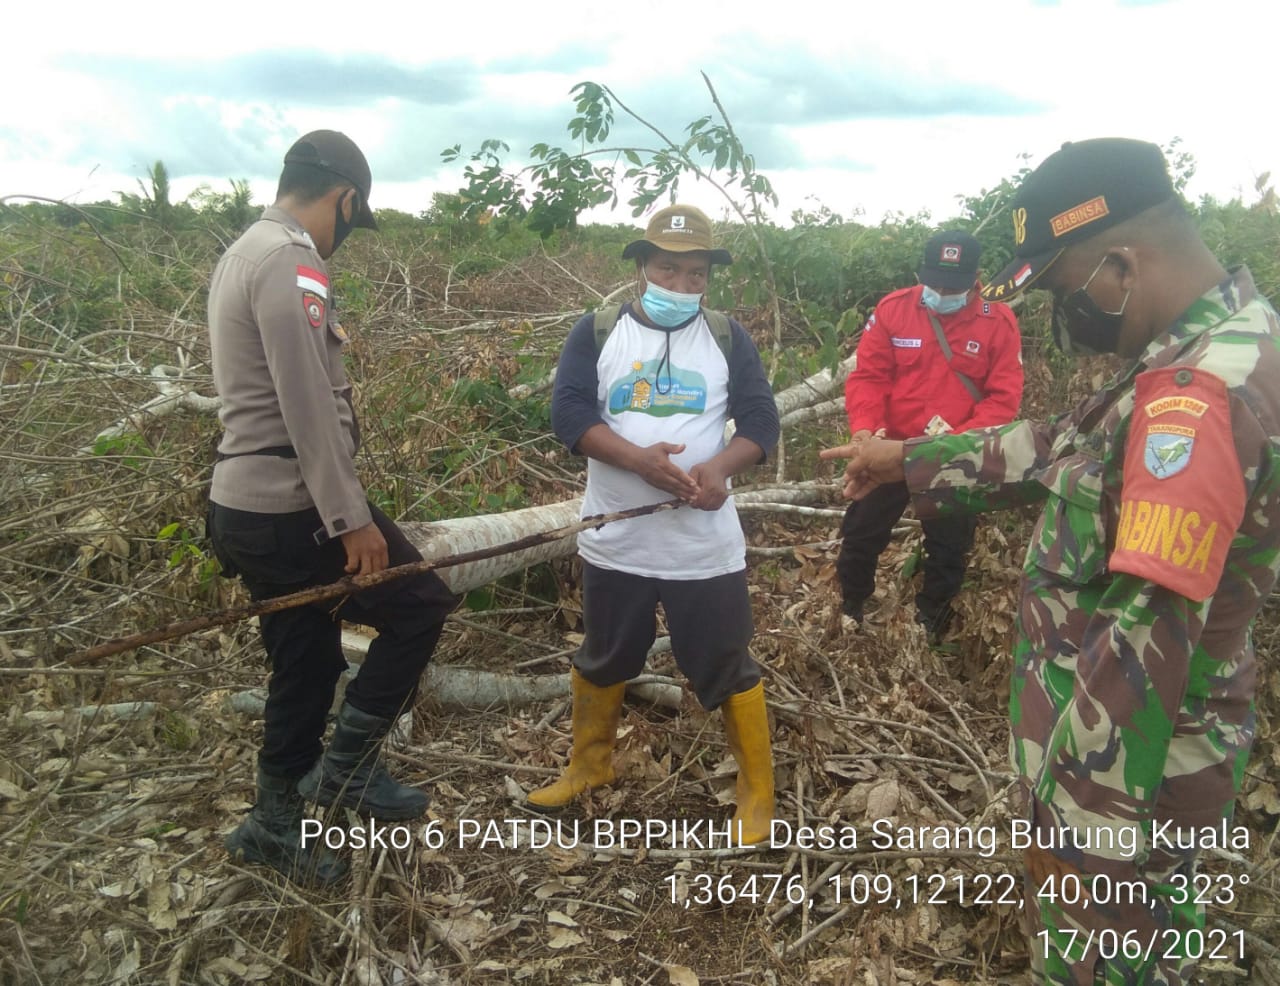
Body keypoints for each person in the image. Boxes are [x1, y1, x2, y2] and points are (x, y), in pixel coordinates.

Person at [821, 138, 1280, 985]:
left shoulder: (1196, 396)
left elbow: (1148, 638)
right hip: (1139, 770)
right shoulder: (1200, 349)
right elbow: (1061, 445)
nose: (1069, 313)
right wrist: (906, 461)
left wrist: (1072, 839)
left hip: (1122, 788)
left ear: (1121, 265)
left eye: (1067, 289)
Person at [207, 130, 458, 884]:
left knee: (306, 656)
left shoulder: (243, 250)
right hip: (293, 504)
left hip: (246, 503)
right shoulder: (291, 260)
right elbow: (307, 401)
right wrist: (351, 520)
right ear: (345, 199)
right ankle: (346, 771)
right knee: (419, 606)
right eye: (353, 216)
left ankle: (273, 818)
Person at [531, 204, 781, 846]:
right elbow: (569, 415)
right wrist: (636, 460)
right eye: (668, 269)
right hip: (617, 538)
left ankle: (757, 793)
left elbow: (760, 420)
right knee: (604, 655)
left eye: (696, 274)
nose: (681, 284)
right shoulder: (599, 331)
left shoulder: (727, 337)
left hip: (703, 545)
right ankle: (589, 765)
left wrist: (720, 468)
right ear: (642, 266)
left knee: (725, 662)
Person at [837, 230, 1022, 637]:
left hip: (952, 454)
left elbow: (1002, 400)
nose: (941, 294)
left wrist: (949, 445)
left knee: (949, 546)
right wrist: (865, 431)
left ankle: (931, 624)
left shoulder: (998, 323)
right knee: (861, 532)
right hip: (889, 449)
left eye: (953, 288)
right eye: (934, 284)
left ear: (976, 280)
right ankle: (851, 609)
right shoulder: (894, 309)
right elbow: (869, 377)